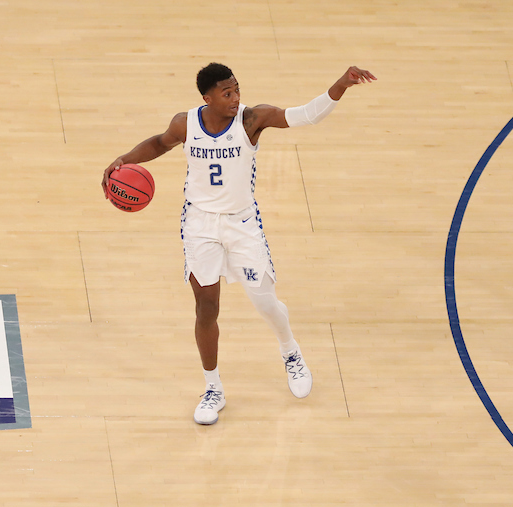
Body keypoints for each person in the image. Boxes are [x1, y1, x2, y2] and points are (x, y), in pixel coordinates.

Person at [102, 63, 375, 424]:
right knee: (206, 308)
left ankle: (289, 350)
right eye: (227, 94)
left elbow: (305, 116)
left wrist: (342, 83)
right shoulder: (186, 123)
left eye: (237, 90)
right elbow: (159, 143)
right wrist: (125, 159)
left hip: (242, 224)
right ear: (207, 98)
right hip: (199, 224)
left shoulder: (252, 120)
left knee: (264, 302)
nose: (235, 98)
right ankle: (213, 388)